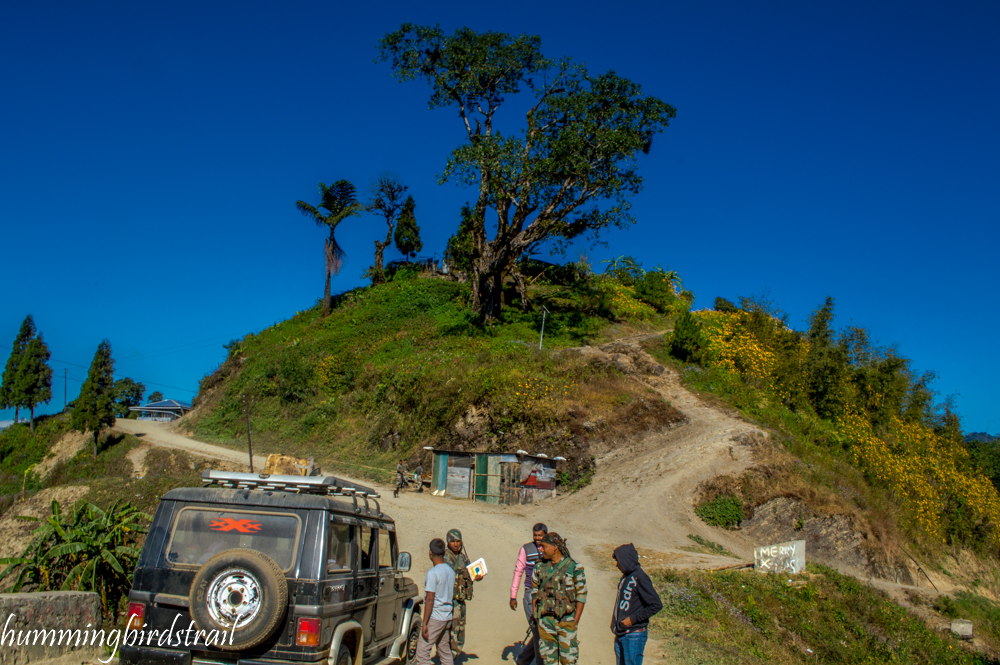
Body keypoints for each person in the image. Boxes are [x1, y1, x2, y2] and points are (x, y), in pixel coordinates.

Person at [531, 532, 587, 665]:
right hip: (546, 622)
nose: (541, 549)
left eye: (544, 546)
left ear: (555, 547)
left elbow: (581, 595)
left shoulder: (574, 567)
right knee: (549, 661)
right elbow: (534, 591)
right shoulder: (539, 567)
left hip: (567, 621)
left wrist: (575, 621)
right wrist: (536, 616)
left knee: (568, 660)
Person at [611, 544, 663, 665]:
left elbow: (656, 605)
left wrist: (632, 620)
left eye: (619, 561)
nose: (617, 565)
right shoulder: (626, 578)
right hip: (621, 633)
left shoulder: (640, 578)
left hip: (634, 636)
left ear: (626, 560)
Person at [510, 523, 548, 665]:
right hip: (530, 594)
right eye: (535, 535)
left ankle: (523, 660)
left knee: (541, 631)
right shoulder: (526, 549)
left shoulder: (550, 549)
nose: (537, 538)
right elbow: (518, 572)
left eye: (540, 535)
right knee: (538, 631)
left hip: (546, 596)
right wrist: (513, 596)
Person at [445, 529, 484, 654]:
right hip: (451, 601)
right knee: (452, 634)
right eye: (453, 542)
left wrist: (476, 576)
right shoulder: (445, 557)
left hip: (461, 601)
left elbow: (468, 575)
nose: (456, 544)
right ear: (448, 542)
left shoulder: (462, 557)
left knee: (460, 632)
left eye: (458, 541)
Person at [416, 538, 455, 665]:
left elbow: (430, 599)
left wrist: (425, 623)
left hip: (435, 617)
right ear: (444, 552)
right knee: (444, 651)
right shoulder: (450, 571)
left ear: (430, 553)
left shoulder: (432, 573)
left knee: (422, 652)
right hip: (447, 617)